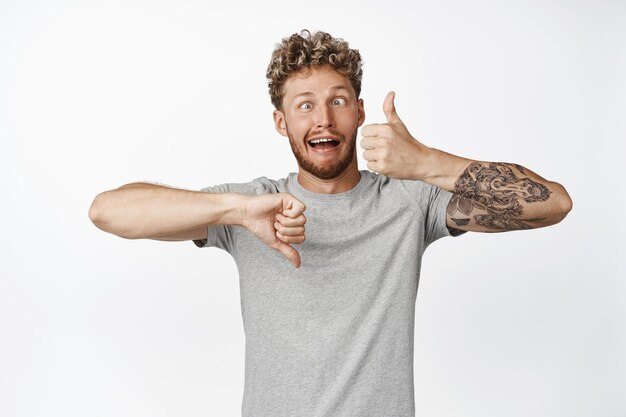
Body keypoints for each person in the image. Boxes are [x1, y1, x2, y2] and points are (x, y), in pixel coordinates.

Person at [89, 29, 572, 417]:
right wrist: (235, 211)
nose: (323, 119)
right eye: (304, 104)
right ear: (281, 122)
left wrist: (426, 162)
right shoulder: (250, 205)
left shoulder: (408, 202)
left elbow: (553, 203)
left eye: (338, 100)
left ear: (360, 111)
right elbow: (107, 211)